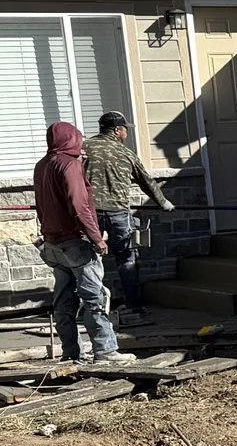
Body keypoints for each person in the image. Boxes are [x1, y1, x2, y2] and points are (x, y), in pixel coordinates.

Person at [32, 122, 131, 366]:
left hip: (53, 243)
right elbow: (79, 205)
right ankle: (105, 351)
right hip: (75, 241)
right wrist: (96, 238)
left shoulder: (43, 165)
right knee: (94, 298)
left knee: (64, 300)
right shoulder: (69, 164)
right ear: (71, 139)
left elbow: (41, 204)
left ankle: (71, 352)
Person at [83, 110, 170, 323]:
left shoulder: (83, 148)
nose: (126, 134)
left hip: (89, 213)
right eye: (125, 130)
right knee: (126, 259)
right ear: (118, 130)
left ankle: (91, 309)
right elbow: (146, 181)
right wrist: (163, 203)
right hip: (118, 213)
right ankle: (134, 307)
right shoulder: (126, 154)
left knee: (86, 260)